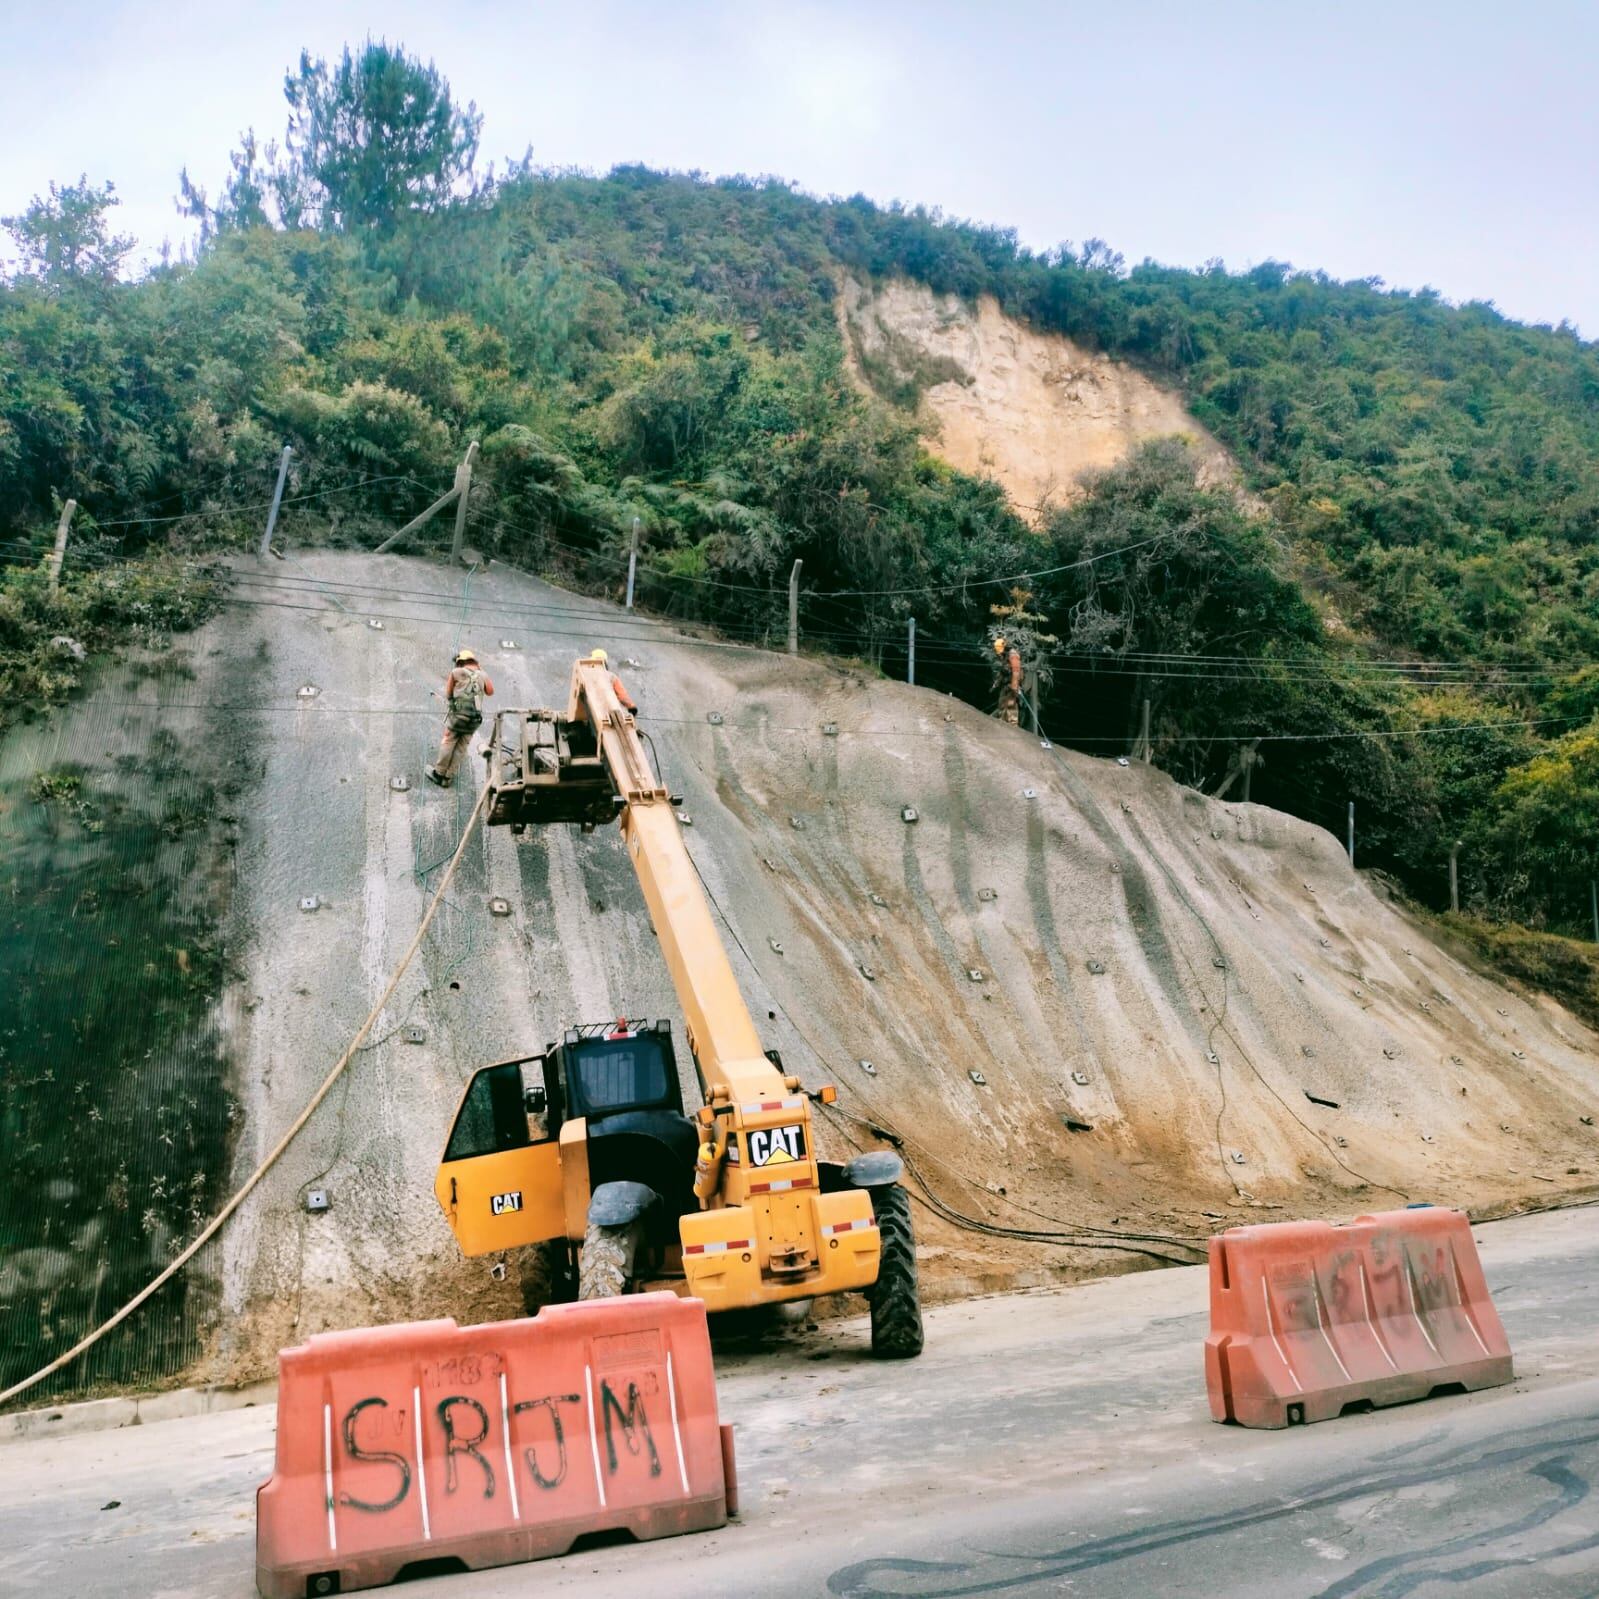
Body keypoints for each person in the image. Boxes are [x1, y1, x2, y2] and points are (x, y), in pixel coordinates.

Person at [425, 647, 494, 788]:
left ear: (460, 662)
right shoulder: (483, 675)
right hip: (474, 720)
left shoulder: (456, 672)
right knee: (461, 747)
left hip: (458, 717)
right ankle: (448, 777)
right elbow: (490, 692)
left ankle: (439, 773)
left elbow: (449, 693)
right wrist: (481, 671)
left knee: (448, 741)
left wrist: (453, 704)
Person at [583, 648, 637, 719]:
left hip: (591, 710)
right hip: (612, 711)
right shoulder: (611, 676)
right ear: (605, 662)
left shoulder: (585, 675)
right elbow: (622, 696)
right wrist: (631, 706)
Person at [992, 636, 1023, 726]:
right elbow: (1002, 671)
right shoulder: (1005, 655)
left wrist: (1014, 686)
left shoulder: (1013, 655)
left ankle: (1013, 724)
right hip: (1005, 683)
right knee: (1002, 703)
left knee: (1011, 704)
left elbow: (1016, 671)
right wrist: (996, 683)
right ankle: (1002, 723)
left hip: (1012, 683)